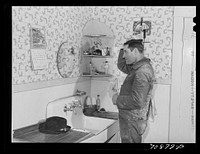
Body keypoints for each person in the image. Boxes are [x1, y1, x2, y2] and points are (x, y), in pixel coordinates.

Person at [112, 39, 155, 143]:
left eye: (126, 52)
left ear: (135, 51)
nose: (123, 55)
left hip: (132, 120)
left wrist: (117, 99)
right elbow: (122, 65)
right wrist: (124, 48)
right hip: (131, 119)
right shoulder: (137, 68)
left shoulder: (142, 71)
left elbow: (137, 101)